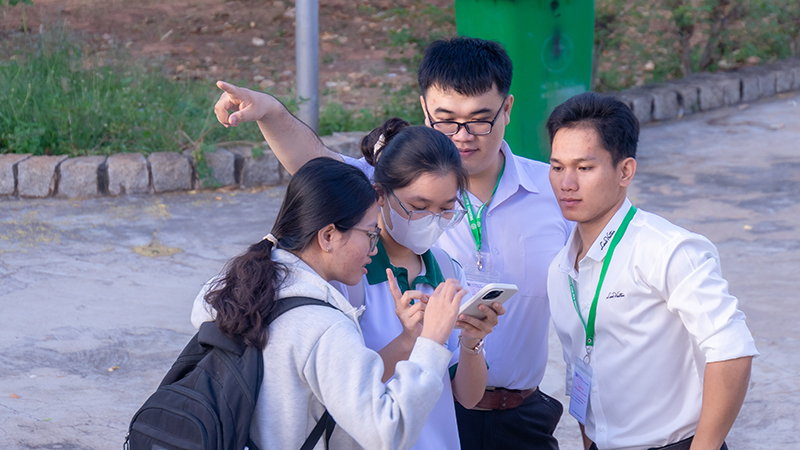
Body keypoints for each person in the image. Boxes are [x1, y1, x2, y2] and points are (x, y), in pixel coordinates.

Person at [213, 36, 571, 450]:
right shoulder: (355, 254)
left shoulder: (552, 193)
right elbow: (314, 165)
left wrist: (472, 340)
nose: (462, 136)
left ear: (506, 109)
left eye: (479, 120)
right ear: (379, 194)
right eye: (446, 120)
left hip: (516, 412)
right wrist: (271, 112)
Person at [195, 120, 504, 450]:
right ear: (380, 195)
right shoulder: (344, 277)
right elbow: (352, 398)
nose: (431, 220)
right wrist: (420, 341)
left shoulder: (446, 269)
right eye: (418, 207)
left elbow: (467, 397)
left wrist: (472, 341)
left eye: (446, 209)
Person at [545, 92, 758, 450]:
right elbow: (581, 373)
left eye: (584, 168)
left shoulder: (667, 249)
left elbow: (732, 349)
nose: (567, 183)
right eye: (557, 167)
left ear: (625, 171)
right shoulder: (560, 270)